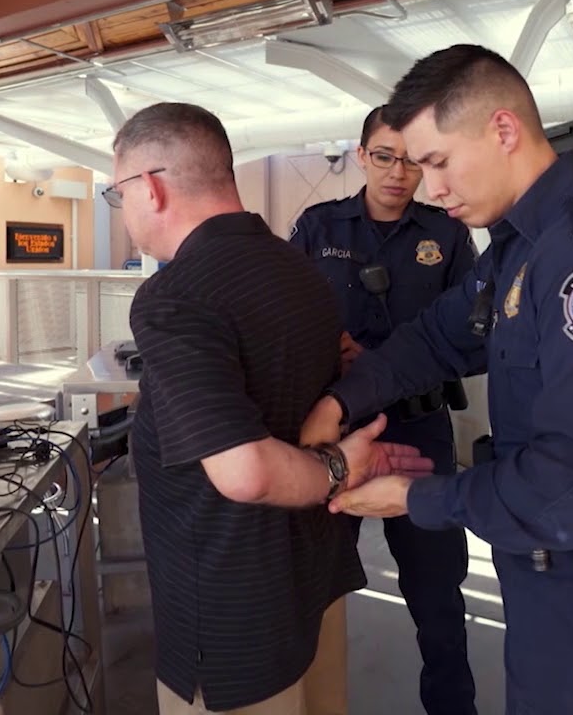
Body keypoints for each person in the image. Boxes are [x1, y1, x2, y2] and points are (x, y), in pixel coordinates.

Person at [302, 45, 573, 714]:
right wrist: (339, 400)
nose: (429, 187)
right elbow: (439, 336)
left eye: (436, 161)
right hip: (549, 569)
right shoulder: (522, 248)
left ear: (502, 130)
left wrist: (416, 499)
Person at [111, 102, 434, 715]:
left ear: (148, 188)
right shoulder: (299, 269)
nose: (122, 209)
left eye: (116, 192)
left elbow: (247, 472)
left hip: (231, 623)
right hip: (309, 589)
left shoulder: (173, 296)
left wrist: (341, 467)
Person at [289, 106, 478, 715]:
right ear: (361, 153)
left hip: (420, 431)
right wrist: (327, 349)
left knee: (438, 595)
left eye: (412, 160)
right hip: (334, 434)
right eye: (383, 156)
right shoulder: (319, 227)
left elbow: (474, 338)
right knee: (312, 583)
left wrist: (389, 359)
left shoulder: (447, 234)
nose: (398, 173)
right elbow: (283, 324)